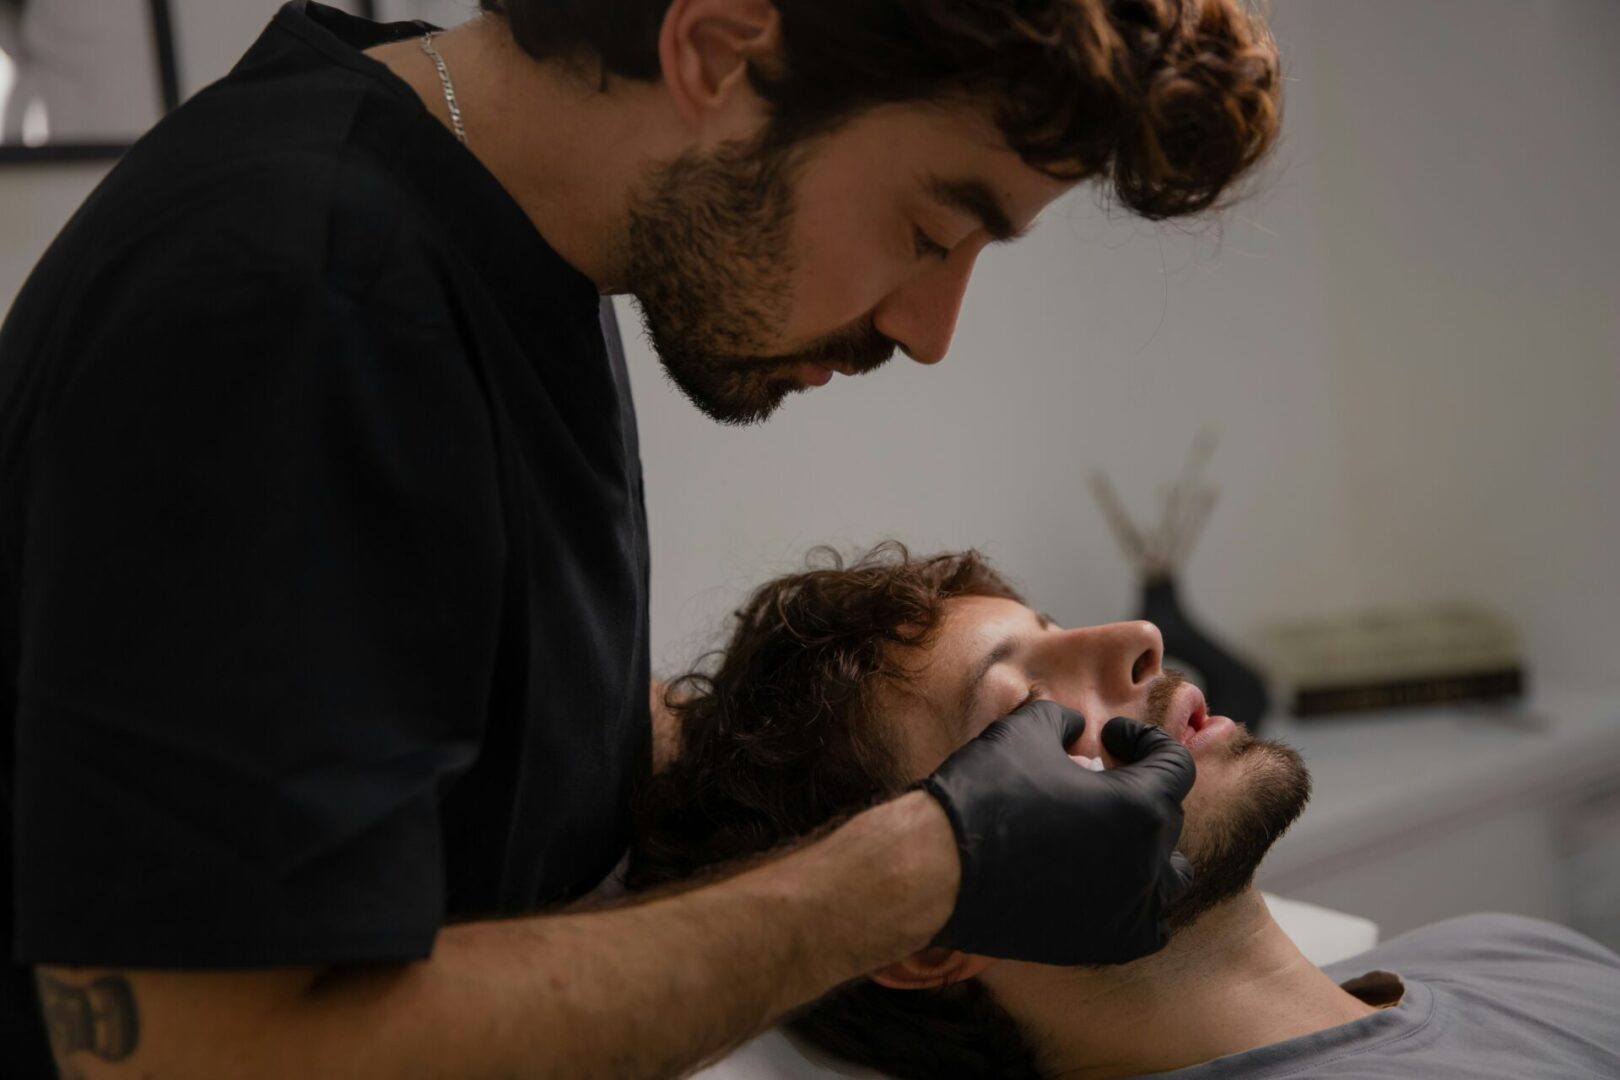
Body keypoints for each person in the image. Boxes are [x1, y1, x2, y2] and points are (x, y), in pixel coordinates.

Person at [0, 2, 1281, 1076]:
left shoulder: (506, 241)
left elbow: (425, 744)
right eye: (932, 229)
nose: (930, 328)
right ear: (717, 48)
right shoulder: (305, 299)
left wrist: (785, 747)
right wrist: (922, 868)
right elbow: (203, 1054)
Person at [628, 544, 1620, 1079]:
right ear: (923, 933)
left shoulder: (1505, 951)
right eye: (1026, 708)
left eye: (1059, 629)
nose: (1143, 639)